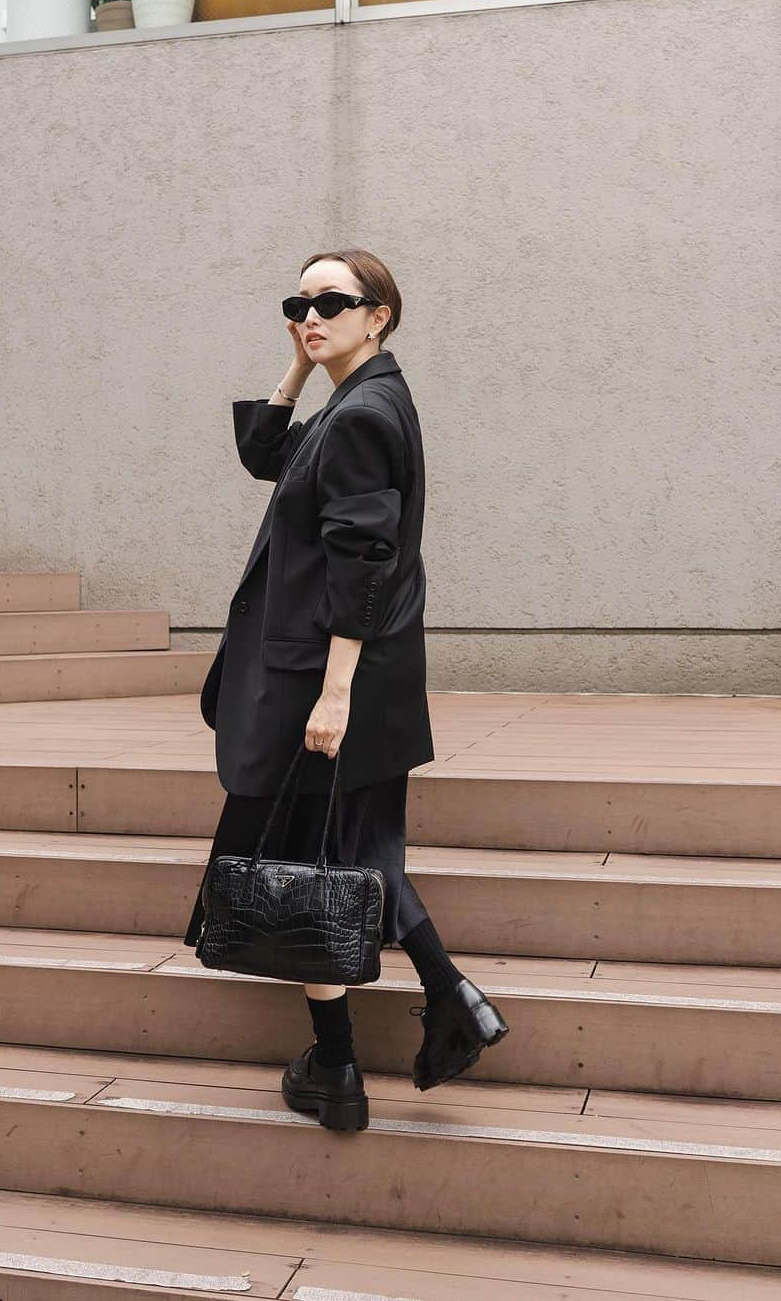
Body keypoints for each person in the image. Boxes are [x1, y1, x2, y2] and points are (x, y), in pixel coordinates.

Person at [183, 248, 508, 1132]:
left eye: (334, 301)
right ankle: (452, 1004)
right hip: (349, 677)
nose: (313, 312)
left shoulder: (362, 416)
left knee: (306, 866)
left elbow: (363, 564)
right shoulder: (357, 401)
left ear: (382, 315)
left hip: (324, 682)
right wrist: (298, 359)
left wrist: (333, 694)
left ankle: (338, 1068)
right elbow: (265, 456)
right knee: (357, 854)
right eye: (301, 301)